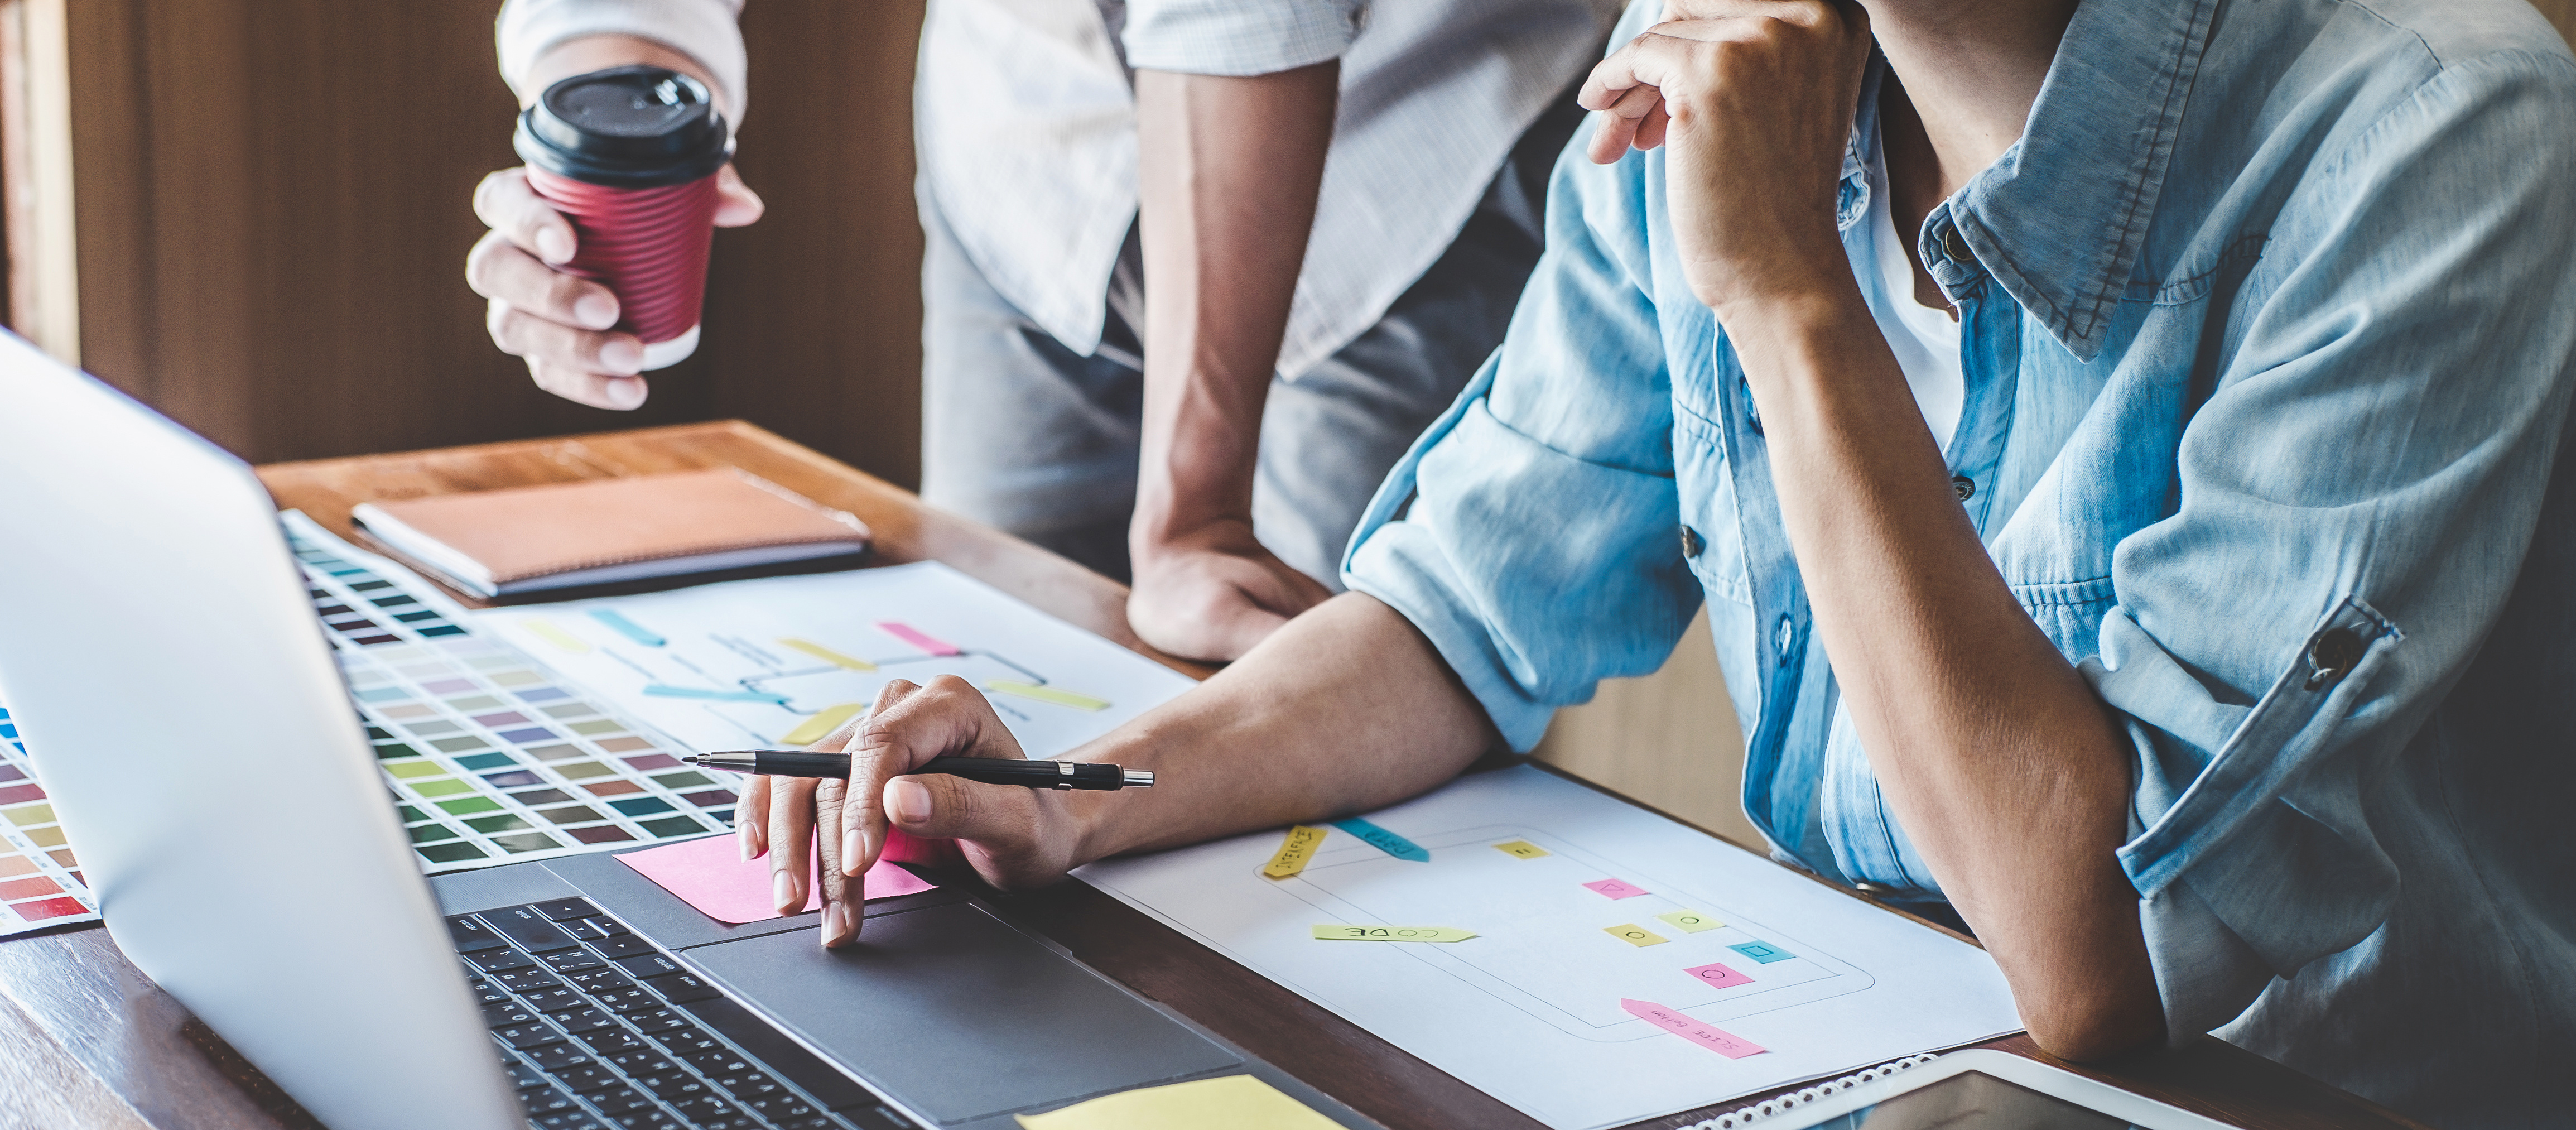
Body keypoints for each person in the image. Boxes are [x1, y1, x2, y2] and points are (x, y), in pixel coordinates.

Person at [755, 0, 2576, 1124]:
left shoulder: (2429, 124)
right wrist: (1082, 796)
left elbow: (2095, 962)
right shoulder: (1726, 53)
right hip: (1872, 1070)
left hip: (2281, 1095)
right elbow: (1461, 609)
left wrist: (1787, 297)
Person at [471, 0, 1624, 662]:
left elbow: (1236, 18)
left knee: (1324, 751)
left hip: (1403, 169)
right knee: (981, 688)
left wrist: (1195, 516)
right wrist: (616, 97)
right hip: (1028, 146)